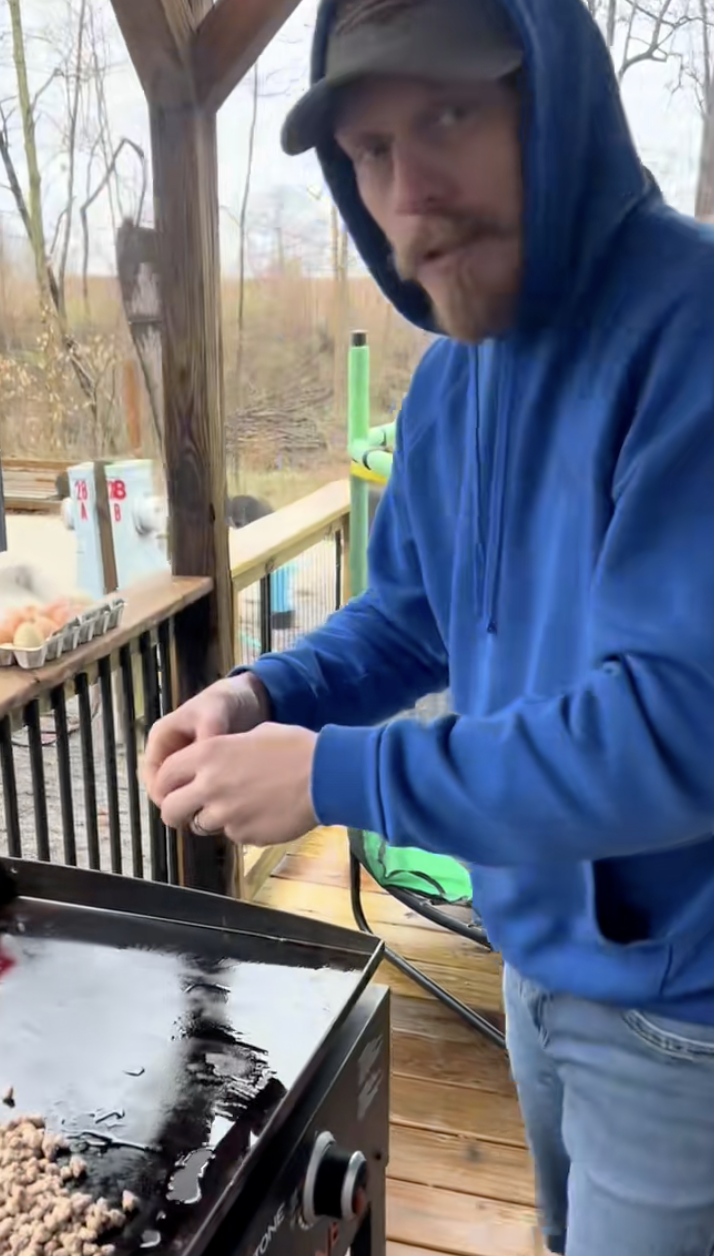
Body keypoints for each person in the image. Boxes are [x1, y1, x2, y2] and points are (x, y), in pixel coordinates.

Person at [142, 0, 714, 1251]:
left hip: (690, 1013)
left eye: (450, 114)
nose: (412, 190)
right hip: (540, 961)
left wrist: (337, 774)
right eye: (370, 150)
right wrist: (264, 697)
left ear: (551, 104)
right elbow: (409, 617)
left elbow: (681, 726)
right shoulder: (458, 371)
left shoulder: (693, 329)